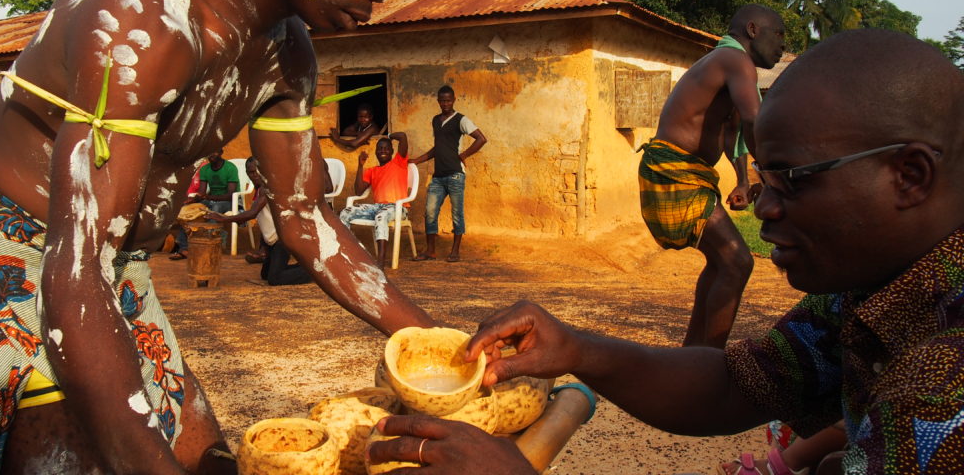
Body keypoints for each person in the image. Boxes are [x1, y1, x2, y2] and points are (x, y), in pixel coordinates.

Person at [0, 0, 462, 472]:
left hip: (114, 273)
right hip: (11, 261)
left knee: (211, 462)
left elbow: (306, 219)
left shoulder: (288, 58)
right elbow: (76, 268)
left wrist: (447, 353)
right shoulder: (141, 16)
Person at [366, 29, 964, 474]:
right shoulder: (872, 290)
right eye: (765, 181)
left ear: (908, 176)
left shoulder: (948, 371)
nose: (764, 208)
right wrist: (575, 348)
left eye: (793, 181)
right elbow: (732, 386)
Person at [639, 4, 785, 348]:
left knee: (723, 262)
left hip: (689, 174)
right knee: (737, 259)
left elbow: (734, 131)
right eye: (778, 34)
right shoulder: (735, 61)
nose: (782, 45)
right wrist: (773, 175)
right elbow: (753, 119)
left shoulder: (731, 67)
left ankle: (693, 354)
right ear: (752, 29)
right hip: (675, 172)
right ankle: (708, 359)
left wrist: (744, 181)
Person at [208, 157, 324, 286]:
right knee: (266, 275)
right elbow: (265, 219)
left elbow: (253, 213)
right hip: (272, 241)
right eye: (250, 173)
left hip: (282, 239)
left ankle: (314, 272)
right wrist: (264, 247)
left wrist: (224, 218)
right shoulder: (260, 189)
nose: (253, 176)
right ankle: (305, 269)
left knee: (275, 279)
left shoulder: (267, 188)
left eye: (256, 172)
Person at [410, 85, 487, 262]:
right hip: (438, 177)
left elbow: (481, 139)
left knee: (457, 214)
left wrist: (463, 155)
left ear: (453, 100)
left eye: (448, 100)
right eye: (442, 100)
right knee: (430, 212)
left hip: (455, 175)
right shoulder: (436, 120)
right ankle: (430, 251)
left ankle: (455, 251)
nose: (445, 103)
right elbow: (437, 148)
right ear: (438, 101)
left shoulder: (461, 119)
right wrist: (416, 160)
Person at [340, 131, 411, 267]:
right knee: (346, 212)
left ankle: (380, 261)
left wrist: (387, 136)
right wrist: (360, 165)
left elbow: (402, 136)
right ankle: (346, 253)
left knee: (381, 216)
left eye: (386, 148)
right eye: (380, 149)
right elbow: (359, 190)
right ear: (376, 152)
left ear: (392, 151)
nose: (383, 151)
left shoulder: (399, 162)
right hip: (378, 207)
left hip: (398, 208)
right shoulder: (372, 171)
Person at [170, 149, 239, 260]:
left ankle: (207, 247)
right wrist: (194, 200)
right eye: (209, 152)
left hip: (230, 202)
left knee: (214, 208)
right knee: (187, 210)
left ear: (221, 152)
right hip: (211, 200)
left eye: (214, 151)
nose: (211, 154)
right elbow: (202, 192)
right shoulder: (205, 169)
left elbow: (230, 195)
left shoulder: (230, 168)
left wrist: (208, 197)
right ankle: (183, 248)